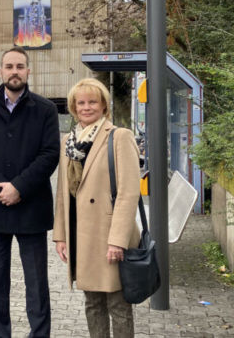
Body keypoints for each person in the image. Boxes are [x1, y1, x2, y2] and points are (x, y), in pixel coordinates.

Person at [0, 46, 60, 338]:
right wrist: (0, 189)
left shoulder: (45, 109)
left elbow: (49, 154)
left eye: (20, 66)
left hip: (32, 208)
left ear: (28, 71)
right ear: (1, 71)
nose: (14, 71)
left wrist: (19, 187)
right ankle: (1, 334)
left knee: (36, 283)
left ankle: (39, 334)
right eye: (9, 66)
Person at [53, 78, 141, 338]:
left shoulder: (119, 137)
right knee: (92, 304)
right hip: (82, 236)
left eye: (93, 102)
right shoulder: (69, 141)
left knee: (118, 305)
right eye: (81, 102)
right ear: (73, 107)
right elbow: (63, 192)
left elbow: (129, 193)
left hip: (109, 235)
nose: (86, 107)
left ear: (104, 105)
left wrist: (118, 241)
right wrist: (60, 235)